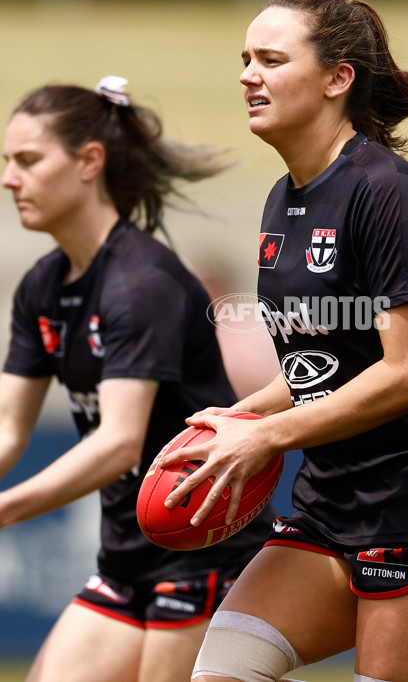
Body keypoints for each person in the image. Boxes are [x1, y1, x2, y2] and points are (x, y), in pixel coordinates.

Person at [160, 0, 408, 682]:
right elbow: (317, 364)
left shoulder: (386, 190)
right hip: (332, 506)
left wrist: (266, 438)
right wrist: (245, 415)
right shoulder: (284, 197)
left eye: (269, 58)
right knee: (221, 671)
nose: (246, 75)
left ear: (337, 78)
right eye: (244, 60)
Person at [0, 76, 275, 682]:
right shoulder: (43, 286)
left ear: (88, 162)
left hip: (204, 549)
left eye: (27, 160)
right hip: (126, 560)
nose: (9, 178)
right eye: (6, 162)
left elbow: (119, 441)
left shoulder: (140, 283)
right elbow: (7, 427)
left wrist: (7, 508)